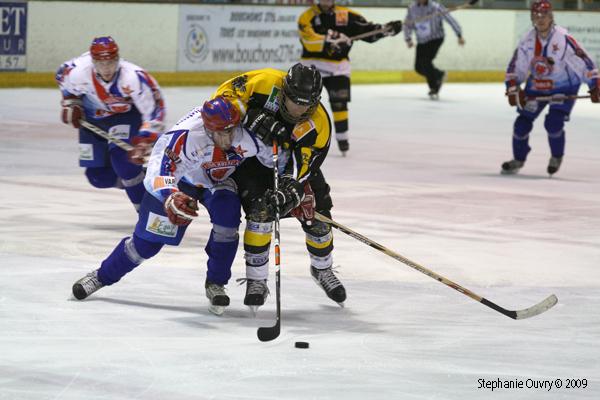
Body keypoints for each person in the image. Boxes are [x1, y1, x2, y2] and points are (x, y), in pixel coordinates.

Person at [71, 97, 264, 316]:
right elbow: (157, 172)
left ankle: (216, 283)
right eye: (221, 133)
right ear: (208, 129)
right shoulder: (184, 137)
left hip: (218, 181)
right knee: (147, 245)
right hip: (181, 183)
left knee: (227, 217)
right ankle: (101, 276)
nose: (227, 138)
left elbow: (277, 157)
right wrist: (171, 197)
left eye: (231, 131)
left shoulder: (248, 133)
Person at [213, 63, 347, 309]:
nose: (300, 108)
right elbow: (223, 99)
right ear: (284, 91)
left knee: (317, 217)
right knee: (260, 212)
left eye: (307, 103)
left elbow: (305, 165)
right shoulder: (264, 81)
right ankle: (256, 280)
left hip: (291, 168)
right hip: (252, 162)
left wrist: (291, 189)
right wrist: (249, 114)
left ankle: (322, 269)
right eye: (295, 100)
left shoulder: (318, 124)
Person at [56, 36, 166, 211]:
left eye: (110, 62)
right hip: (93, 119)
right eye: (101, 64)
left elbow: (155, 109)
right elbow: (62, 77)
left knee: (123, 163)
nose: (106, 69)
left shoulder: (133, 77)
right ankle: (144, 181)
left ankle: (146, 212)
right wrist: (71, 102)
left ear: (117, 59)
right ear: (93, 62)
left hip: (125, 116)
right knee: (98, 177)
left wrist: (145, 139)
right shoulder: (77, 72)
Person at [502, 0, 599, 176]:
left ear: (551, 16)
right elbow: (516, 67)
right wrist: (513, 87)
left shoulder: (563, 38)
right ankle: (519, 158)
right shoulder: (527, 40)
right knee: (521, 125)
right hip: (537, 86)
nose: (541, 19)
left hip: (564, 87)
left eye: (544, 15)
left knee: (553, 123)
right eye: (537, 15)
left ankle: (556, 156)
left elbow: (584, 61)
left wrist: (595, 84)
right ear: (532, 17)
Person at [297, 0, 403, 155]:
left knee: (339, 104)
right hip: (312, 68)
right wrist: (330, 41)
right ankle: (299, 139)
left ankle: (342, 138)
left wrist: (385, 30)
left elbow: (367, 30)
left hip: (338, 68)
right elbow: (308, 41)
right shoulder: (306, 17)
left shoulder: (346, 15)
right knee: (303, 105)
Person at [403, 0, 465, 99]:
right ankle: (439, 74)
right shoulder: (412, 8)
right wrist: (408, 38)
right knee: (418, 68)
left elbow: (450, 19)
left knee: (425, 61)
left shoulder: (436, 7)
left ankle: (433, 88)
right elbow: (407, 24)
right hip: (422, 41)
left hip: (435, 38)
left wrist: (459, 34)